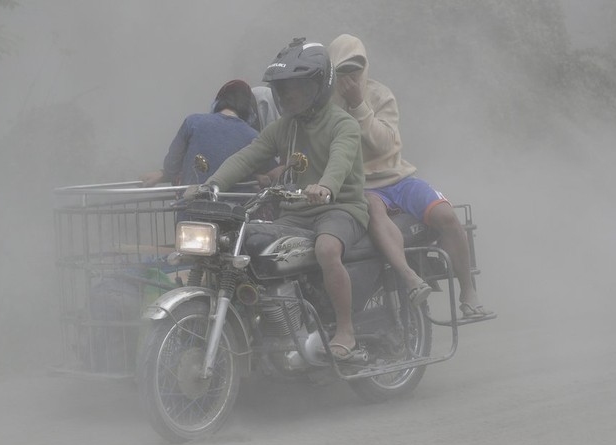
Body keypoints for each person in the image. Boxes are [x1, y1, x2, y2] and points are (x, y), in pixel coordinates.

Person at [200, 38, 370, 359]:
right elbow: (247, 157)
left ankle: (346, 330)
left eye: (298, 87)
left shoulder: (342, 123)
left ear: (319, 86)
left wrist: (326, 186)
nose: (289, 94)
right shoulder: (283, 127)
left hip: (339, 209)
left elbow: (341, 160)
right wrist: (211, 184)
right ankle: (273, 328)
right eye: (284, 88)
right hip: (296, 212)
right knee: (251, 243)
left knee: (327, 248)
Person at [328, 34, 492, 318]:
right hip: (363, 186)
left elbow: (385, 144)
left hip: (399, 178)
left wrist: (358, 105)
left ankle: (468, 290)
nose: (351, 77)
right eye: (343, 70)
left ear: (365, 67)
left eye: (356, 69)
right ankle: (410, 278)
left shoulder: (380, 95)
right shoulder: (327, 107)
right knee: (374, 213)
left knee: (447, 216)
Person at [139, 79, 270, 189]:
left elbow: (171, 166)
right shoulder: (253, 136)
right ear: (249, 110)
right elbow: (268, 172)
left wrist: (165, 174)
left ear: (218, 102)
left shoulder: (193, 122)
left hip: (192, 209)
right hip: (235, 213)